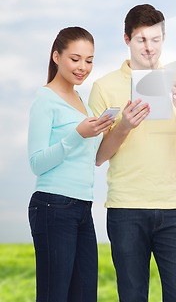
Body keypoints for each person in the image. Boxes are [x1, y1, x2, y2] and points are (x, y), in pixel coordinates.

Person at [88, 4, 176, 302]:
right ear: (126, 39)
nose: (149, 48)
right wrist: (124, 125)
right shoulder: (104, 86)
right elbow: (98, 156)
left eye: (156, 39)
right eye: (141, 40)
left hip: (174, 210)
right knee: (132, 295)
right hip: (126, 209)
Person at [28, 27, 114, 302]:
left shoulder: (82, 102)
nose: (83, 67)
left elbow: (95, 157)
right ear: (56, 56)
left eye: (89, 60)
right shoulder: (45, 99)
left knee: (85, 295)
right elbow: (37, 163)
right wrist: (77, 134)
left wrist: (120, 127)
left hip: (81, 206)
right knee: (55, 295)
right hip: (53, 206)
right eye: (75, 59)